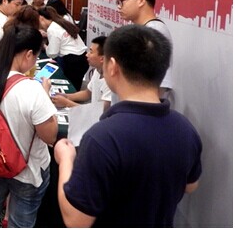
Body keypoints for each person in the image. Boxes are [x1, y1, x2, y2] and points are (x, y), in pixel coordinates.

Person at [54, 25, 202, 227]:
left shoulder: (102, 137)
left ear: (112, 66)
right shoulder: (185, 129)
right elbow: (190, 185)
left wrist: (65, 160)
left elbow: (76, 220)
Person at [0, 24, 58, 228]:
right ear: (28, 54)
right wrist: (45, 94)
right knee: (20, 223)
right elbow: (50, 136)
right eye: (36, 56)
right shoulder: (32, 89)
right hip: (28, 171)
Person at [116, 0, 173, 98]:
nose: (119, 7)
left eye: (122, 1)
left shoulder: (154, 32)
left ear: (141, 0)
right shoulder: (142, 30)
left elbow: (160, 84)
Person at [50, 36, 112, 112]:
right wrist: (67, 96)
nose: (87, 55)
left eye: (91, 52)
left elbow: (99, 112)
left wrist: (67, 103)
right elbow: (88, 93)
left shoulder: (111, 83)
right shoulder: (97, 70)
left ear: (102, 59)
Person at [38, 6, 88, 90]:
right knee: (75, 88)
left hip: (73, 62)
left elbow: (52, 53)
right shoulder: (62, 23)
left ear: (41, 18)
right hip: (82, 58)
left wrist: (44, 46)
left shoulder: (52, 29)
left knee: (71, 90)